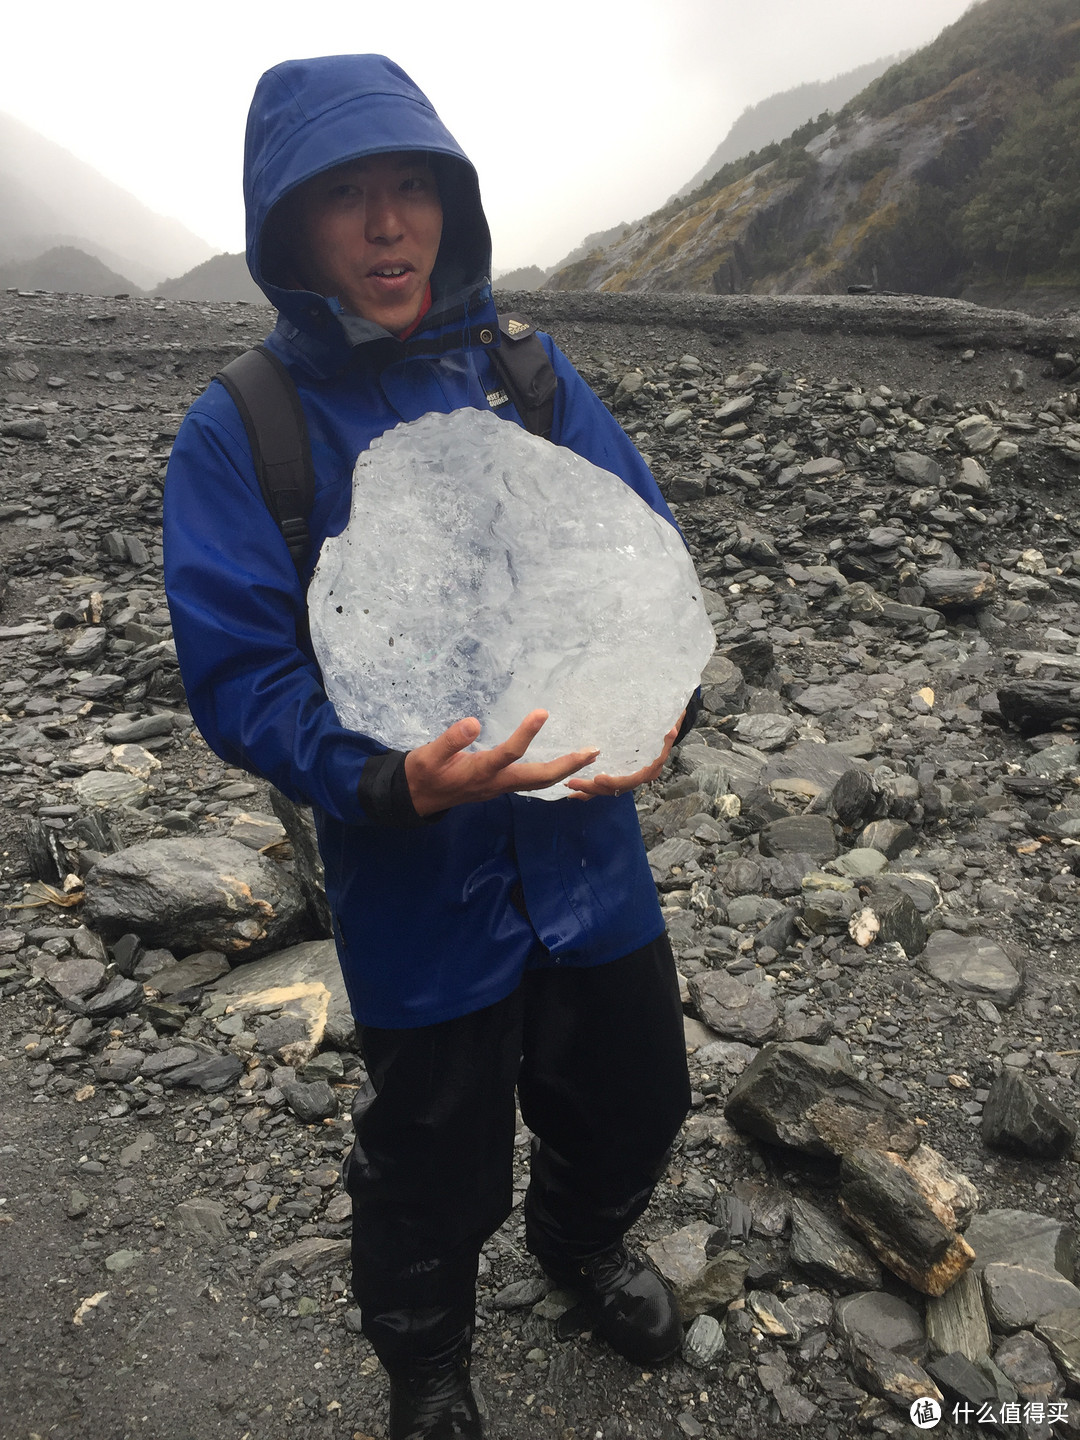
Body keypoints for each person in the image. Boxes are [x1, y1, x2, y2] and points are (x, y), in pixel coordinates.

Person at [164, 54, 696, 1440]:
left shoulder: (526, 374)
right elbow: (242, 677)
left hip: (586, 851)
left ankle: (581, 1247)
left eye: (413, 189)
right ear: (289, 224)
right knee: (430, 1159)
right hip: (418, 881)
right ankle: (426, 1356)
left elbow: (638, 559)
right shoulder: (247, 428)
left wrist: (660, 705)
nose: (391, 226)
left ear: (452, 206)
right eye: (349, 197)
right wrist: (385, 778)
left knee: (636, 1096)